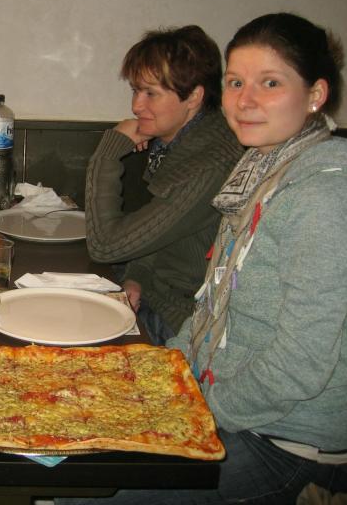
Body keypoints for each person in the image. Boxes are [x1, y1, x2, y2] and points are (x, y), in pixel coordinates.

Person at [59, 13, 347, 504]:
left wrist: (192, 405)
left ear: (315, 94)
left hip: (285, 441)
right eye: (236, 82)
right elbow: (212, 304)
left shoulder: (322, 194)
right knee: (77, 427)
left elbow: (299, 365)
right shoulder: (260, 168)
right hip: (223, 396)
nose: (244, 100)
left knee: (84, 494)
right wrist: (165, 370)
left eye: (270, 83)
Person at [84, 26, 244, 344]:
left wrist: (107, 154)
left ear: (194, 97)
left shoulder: (207, 162)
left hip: (181, 322)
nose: (136, 106)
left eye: (151, 93)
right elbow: (160, 231)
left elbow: (104, 246)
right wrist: (137, 277)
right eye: (135, 90)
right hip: (153, 295)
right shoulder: (181, 142)